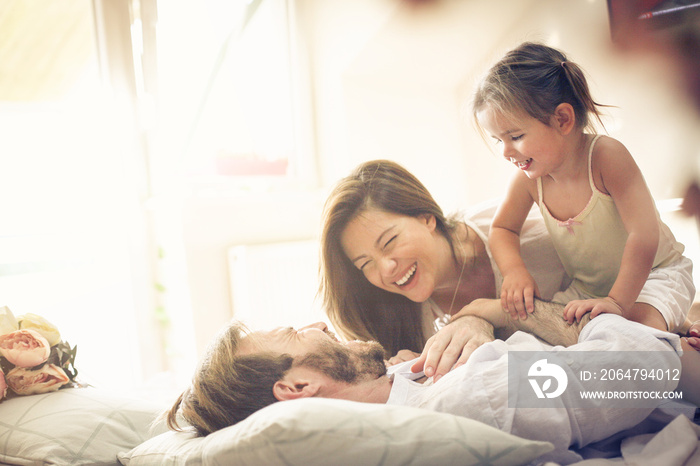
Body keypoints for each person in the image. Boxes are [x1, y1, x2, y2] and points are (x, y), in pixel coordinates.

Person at [166, 299, 700, 465]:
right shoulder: (476, 395)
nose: (318, 324)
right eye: (294, 334)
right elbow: (645, 371)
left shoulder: (410, 379)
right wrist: (599, 317)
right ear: (299, 389)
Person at [470, 41, 695, 333]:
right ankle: (677, 324)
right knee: (540, 331)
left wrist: (617, 301)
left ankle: (677, 323)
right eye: (499, 140)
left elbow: (645, 234)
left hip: (656, 275)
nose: (505, 152)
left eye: (515, 136)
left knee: (634, 332)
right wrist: (515, 272)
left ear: (563, 119)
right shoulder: (529, 181)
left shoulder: (605, 157)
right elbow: (502, 229)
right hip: (588, 290)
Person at [320, 158, 570, 381]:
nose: (386, 269)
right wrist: (417, 372)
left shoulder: (524, 229)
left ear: (427, 217)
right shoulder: (396, 320)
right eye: (365, 264)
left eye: (389, 242)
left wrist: (485, 314)